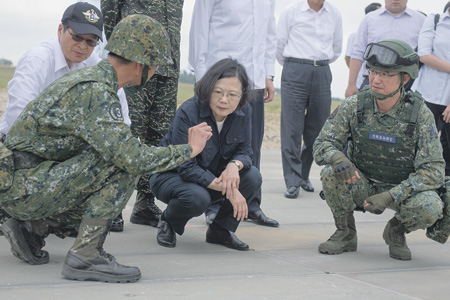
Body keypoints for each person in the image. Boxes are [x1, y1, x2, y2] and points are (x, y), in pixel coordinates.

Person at [0, 14, 212, 283]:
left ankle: (33, 228)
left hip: (27, 180)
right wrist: (189, 150)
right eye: (155, 63)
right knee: (121, 165)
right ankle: (85, 256)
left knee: (109, 160)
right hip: (22, 187)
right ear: (140, 64)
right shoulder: (97, 91)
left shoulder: (98, 81)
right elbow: (131, 157)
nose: (156, 70)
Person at [0, 2, 130, 233]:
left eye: (90, 42)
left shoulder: (94, 66)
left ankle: (41, 221)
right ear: (61, 30)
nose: (82, 46)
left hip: (61, 150)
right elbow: (16, 123)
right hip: (18, 151)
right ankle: (21, 215)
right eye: (77, 36)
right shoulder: (38, 60)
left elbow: (121, 116)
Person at [313, 39, 445, 261]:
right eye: (373, 72)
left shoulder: (420, 114)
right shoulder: (354, 105)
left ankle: (396, 231)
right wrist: (337, 158)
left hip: (401, 191)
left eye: (385, 74)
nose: (375, 79)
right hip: (362, 182)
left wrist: (391, 195)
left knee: (431, 206)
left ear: (404, 78)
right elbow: (322, 143)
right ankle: (345, 233)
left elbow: (433, 171)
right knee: (330, 173)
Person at [150, 58, 261, 251]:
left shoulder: (245, 111)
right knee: (197, 198)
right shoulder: (189, 111)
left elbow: (246, 151)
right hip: (172, 176)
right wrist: (232, 191)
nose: (224, 100)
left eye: (232, 94)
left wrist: (233, 166)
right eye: (218, 92)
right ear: (208, 88)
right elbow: (186, 166)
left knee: (252, 177)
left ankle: (221, 230)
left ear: (241, 95)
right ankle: (168, 220)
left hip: (211, 177)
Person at [188, 0, 279, 227]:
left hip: (254, 79)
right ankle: (215, 205)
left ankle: (251, 204)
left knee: (250, 146)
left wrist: (268, 74)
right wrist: (202, 77)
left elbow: (269, 33)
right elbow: (199, 30)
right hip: (220, 79)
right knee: (214, 145)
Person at [101, 0, 184, 231]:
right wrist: (123, 51)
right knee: (127, 132)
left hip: (167, 66)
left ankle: (144, 203)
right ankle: (112, 206)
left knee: (159, 135)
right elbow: (109, 10)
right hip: (135, 62)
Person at [276, 0, 343, 199]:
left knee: (318, 132)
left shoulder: (334, 13)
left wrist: (317, 65)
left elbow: (336, 47)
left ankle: (303, 174)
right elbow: (279, 45)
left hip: (322, 71)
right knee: (292, 130)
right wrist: (296, 65)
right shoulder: (291, 11)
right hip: (294, 69)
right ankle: (293, 181)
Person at [345, 0, 426, 98]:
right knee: (365, 112)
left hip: (405, 84)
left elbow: (424, 55)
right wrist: (351, 84)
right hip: (372, 80)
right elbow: (358, 52)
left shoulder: (422, 20)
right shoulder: (369, 18)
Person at [412, 1, 450, 176]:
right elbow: (424, 55)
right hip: (427, 94)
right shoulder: (435, 20)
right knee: (420, 146)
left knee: (448, 151)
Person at [344, 2, 382, 88]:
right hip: (359, 79)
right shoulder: (355, 34)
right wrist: (355, 73)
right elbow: (348, 57)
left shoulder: (378, 34)